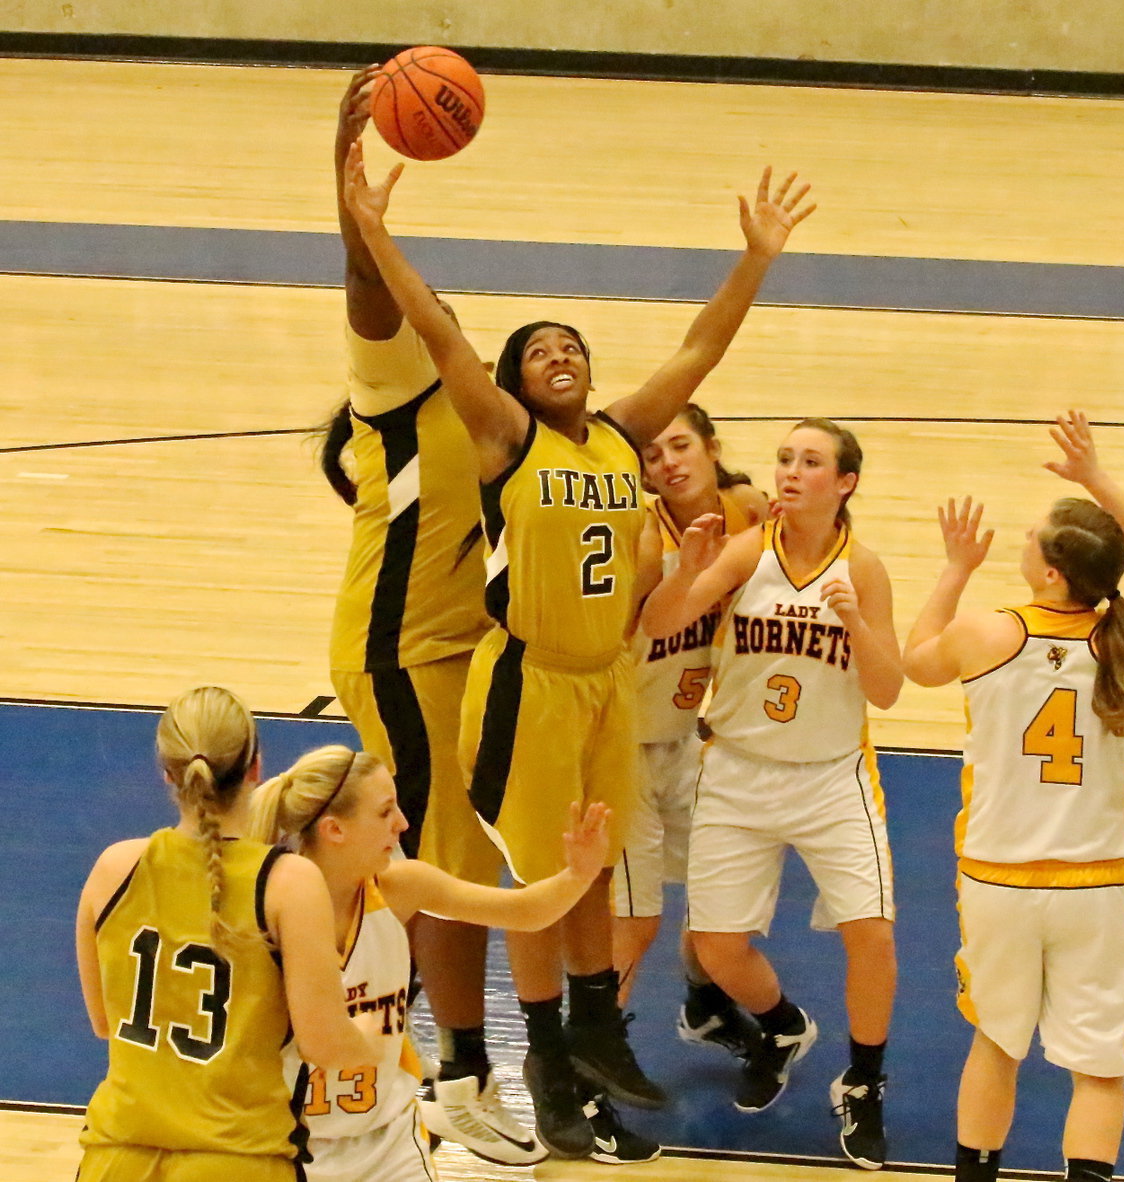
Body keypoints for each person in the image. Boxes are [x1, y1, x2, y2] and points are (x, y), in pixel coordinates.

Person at [342, 136, 814, 1158]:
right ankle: (546, 1064)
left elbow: (698, 351)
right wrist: (376, 232)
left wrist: (755, 263)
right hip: (529, 681)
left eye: (573, 344)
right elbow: (439, 336)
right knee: (538, 876)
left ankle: (598, 1031)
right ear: (515, 379)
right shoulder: (508, 438)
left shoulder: (616, 433)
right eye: (540, 348)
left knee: (595, 868)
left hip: (605, 683)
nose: (562, 354)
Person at [322, 67, 536, 1165]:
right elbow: (370, 296)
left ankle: (441, 1063)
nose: (438, 313)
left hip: (454, 657)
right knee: (422, 869)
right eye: (426, 307)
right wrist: (354, 210)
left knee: (436, 862)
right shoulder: (394, 379)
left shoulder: (478, 412)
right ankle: (419, 1068)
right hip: (400, 653)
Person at [902, 411, 1124, 1182]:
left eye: (1034, 536)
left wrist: (955, 567)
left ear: (1051, 573)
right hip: (1093, 887)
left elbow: (914, 662)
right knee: (1099, 1068)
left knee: (996, 1044)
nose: (1023, 542)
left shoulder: (987, 633)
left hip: (999, 879)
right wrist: (1096, 479)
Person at [641, 418, 902, 1169]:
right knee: (718, 950)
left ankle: (865, 1085)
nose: (790, 472)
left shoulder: (866, 568)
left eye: (811, 462)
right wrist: (685, 572)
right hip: (738, 770)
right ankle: (782, 1024)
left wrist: (855, 625)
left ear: (845, 483)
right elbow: (660, 624)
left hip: (830, 776)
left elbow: (885, 691)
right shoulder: (748, 549)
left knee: (874, 937)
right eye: (785, 458)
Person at [247, 743, 653, 1177]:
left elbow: (526, 912)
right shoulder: (260, 912)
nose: (402, 824)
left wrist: (579, 874)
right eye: (385, 812)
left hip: (390, 1141)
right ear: (334, 830)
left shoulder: (400, 887)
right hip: (292, 1147)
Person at [75, 685, 382, 1182]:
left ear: (168, 775)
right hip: (237, 1161)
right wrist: (378, 1049)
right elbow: (325, 1044)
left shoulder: (114, 867)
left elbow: (103, 1021)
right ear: (256, 767)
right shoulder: (288, 883)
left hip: (115, 1158)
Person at [616, 403, 768, 1058]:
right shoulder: (649, 542)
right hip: (619, 745)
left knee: (722, 889)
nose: (670, 462)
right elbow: (639, 630)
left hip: (683, 737)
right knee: (635, 920)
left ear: (710, 448)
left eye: (680, 446)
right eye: (654, 455)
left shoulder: (749, 510)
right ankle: (594, 1052)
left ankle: (704, 1001)